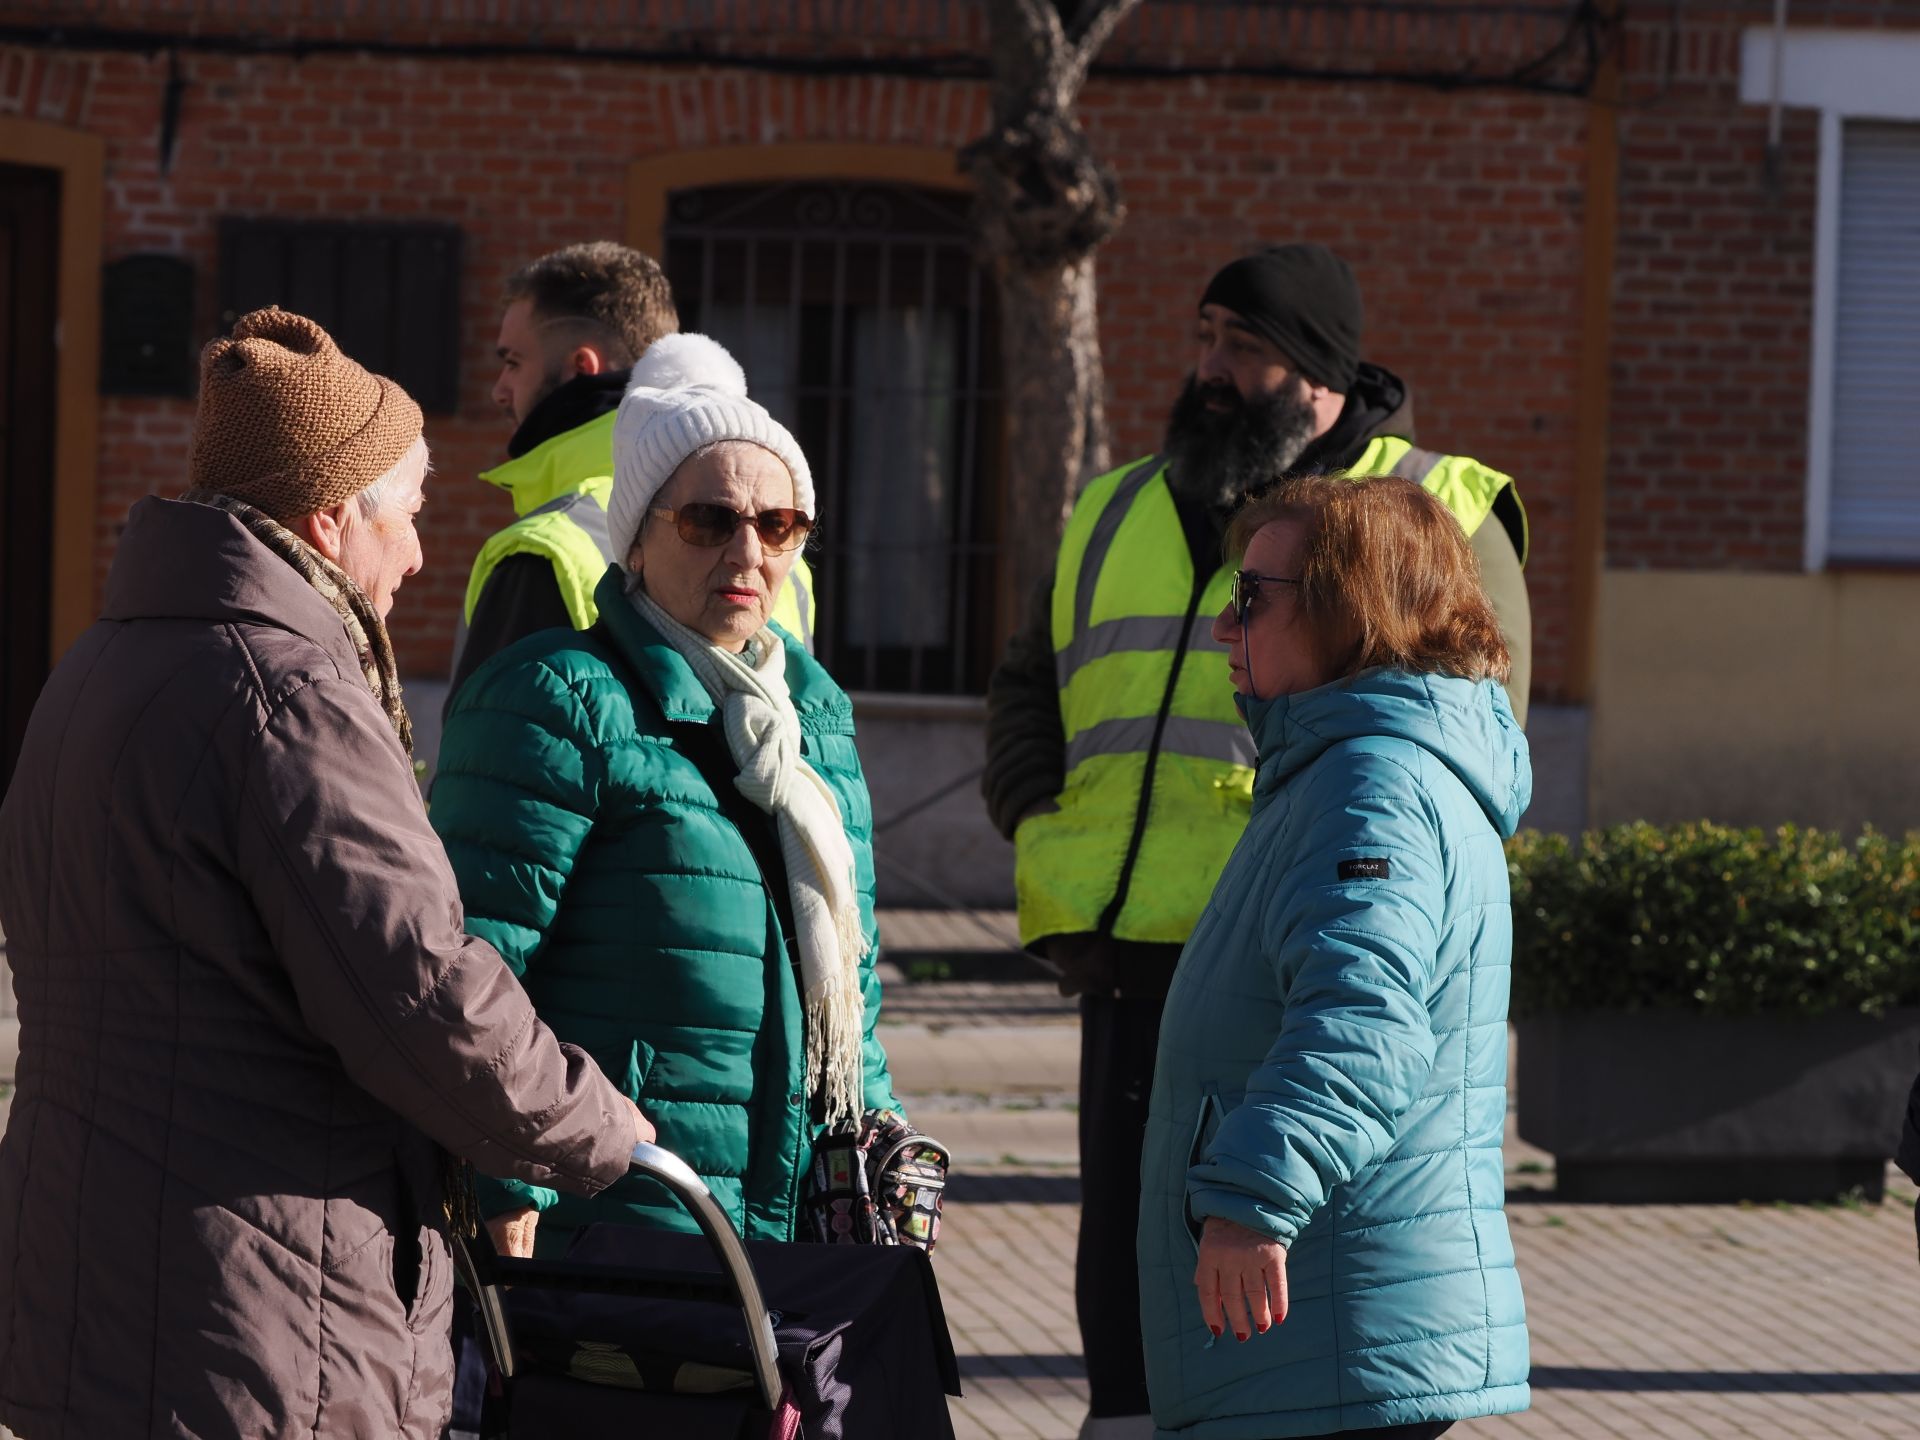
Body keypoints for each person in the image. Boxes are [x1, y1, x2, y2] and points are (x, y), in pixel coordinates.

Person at [0, 309, 648, 1440]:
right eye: (405, 513)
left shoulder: (100, 662)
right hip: (251, 1307)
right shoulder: (289, 696)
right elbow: (418, 993)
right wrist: (605, 1130)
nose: (416, 553)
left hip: (93, 1283)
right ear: (329, 514)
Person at [980, 243, 1530, 1437]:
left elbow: (1365, 1011)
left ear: (1323, 375)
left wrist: (1257, 1202)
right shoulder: (1126, 498)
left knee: (1236, 1266)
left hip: (1292, 935)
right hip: (1132, 939)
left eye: (1248, 347)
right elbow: (1032, 672)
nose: (1212, 370)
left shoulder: (1425, 523)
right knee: (1131, 1237)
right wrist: (1038, 804)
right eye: (1205, 337)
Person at [431, 332, 899, 1259]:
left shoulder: (815, 722)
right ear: (639, 539)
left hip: (792, 1226)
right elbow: (471, 971)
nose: (748, 550)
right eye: (708, 520)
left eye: (779, 525)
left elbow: (856, 987)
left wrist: (879, 1154)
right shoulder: (559, 699)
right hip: (618, 1214)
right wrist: (506, 1180)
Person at [1138, 473, 1531, 1439]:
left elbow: (1362, 1023)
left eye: (1252, 599)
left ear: (1349, 609)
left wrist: (1252, 1201)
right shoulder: (1355, 764)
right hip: (1332, 1329)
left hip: (1334, 1330)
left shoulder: (1373, 782)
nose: (1225, 629)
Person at [452, 241, 815, 714]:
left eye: (513, 362)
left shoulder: (546, 547)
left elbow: (484, 768)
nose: (500, 390)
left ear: (581, 367)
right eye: (709, 521)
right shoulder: (785, 556)